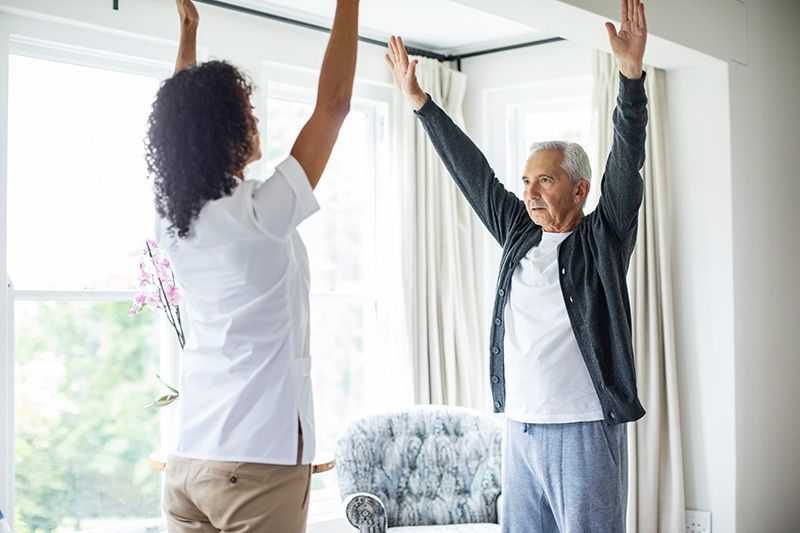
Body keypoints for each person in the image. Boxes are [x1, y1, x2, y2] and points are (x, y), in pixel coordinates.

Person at [385, 0, 649, 531]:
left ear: (580, 189)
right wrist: (420, 104)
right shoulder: (519, 234)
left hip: (583, 429)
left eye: (544, 181)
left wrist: (630, 78)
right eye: (526, 181)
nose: (528, 192)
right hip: (521, 428)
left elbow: (627, 156)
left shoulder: (603, 235)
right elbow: (472, 171)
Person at [145, 0, 359, 530]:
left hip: (187, 462)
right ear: (225, 130)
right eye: (246, 111)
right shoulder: (263, 213)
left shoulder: (173, 221)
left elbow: (179, 121)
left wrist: (189, 33)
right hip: (257, 464)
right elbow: (333, 106)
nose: (256, 119)